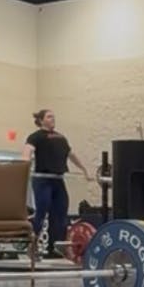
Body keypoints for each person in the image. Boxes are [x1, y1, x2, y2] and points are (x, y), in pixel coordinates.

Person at [24, 109, 91, 258]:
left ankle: (55, 248)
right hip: (42, 180)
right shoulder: (35, 137)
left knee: (60, 214)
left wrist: (84, 169)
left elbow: (71, 155)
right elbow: (27, 153)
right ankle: (32, 246)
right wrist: (24, 168)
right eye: (49, 117)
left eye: (53, 116)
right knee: (41, 213)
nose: (53, 119)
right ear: (41, 120)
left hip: (58, 180)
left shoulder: (61, 138)